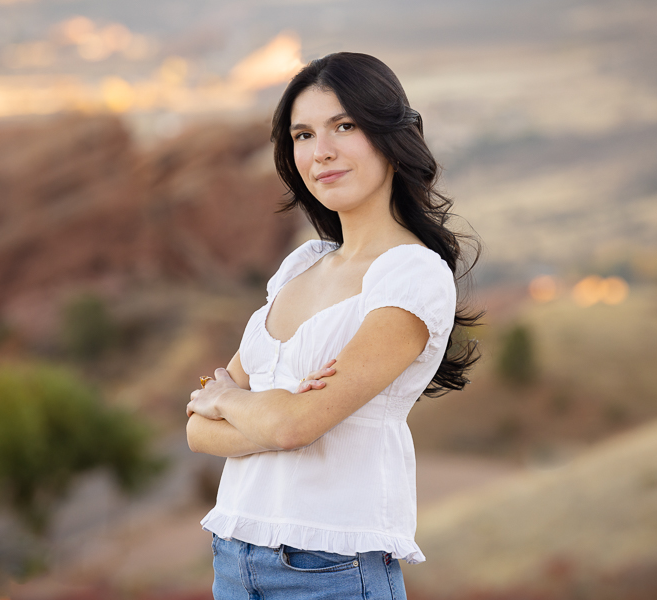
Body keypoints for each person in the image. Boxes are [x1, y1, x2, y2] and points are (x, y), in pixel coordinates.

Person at [185, 52, 481, 600]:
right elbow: (196, 431)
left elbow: (293, 426)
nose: (321, 152)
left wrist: (230, 400)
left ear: (392, 137)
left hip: (332, 572)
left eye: (344, 126)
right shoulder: (302, 265)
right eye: (302, 135)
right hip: (234, 557)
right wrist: (272, 411)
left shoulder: (412, 276)